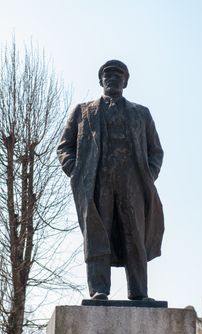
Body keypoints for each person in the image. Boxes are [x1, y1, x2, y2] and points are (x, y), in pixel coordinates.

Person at [57, 60, 164, 301]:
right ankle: (99, 290)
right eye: (108, 75)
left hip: (132, 184)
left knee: (134, 236)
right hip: (96, 183)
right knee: (97, 235)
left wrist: (147, 176)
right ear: (100, 81)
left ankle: (139, 292)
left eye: (118, 75)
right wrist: (76, 172)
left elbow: (155, 151)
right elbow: (65, 147)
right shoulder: (82, 111)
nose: (112, 78)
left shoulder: (141, 114)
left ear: (125, 81)